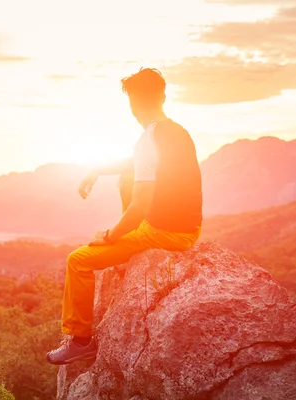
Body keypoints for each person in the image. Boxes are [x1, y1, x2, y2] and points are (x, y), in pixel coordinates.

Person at [46, 68, 203, 365]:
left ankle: (79, 341)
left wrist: (110, 235)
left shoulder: (147, 140)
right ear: (163, 96)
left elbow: (140, 208)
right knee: (127, 178)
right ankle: (127, 245)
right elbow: (138, 164)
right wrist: (97, 169)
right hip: (189, 227)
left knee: (78, 261)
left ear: (132, 104)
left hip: (162, 232)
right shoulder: (176, 132)